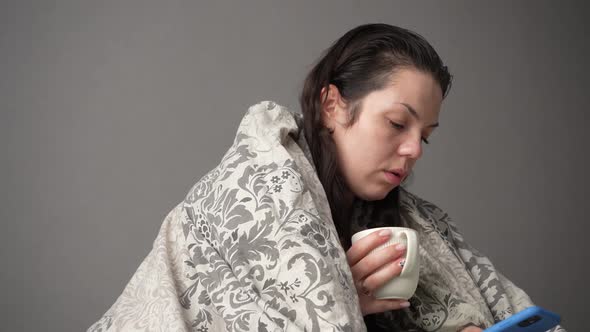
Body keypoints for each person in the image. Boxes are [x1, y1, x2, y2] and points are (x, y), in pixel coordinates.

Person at [88, 24, 565, 332]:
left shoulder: (416, 227)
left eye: (427, 136)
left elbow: (493, 304)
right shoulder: (258, 185)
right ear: (332, 105)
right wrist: (337, 298)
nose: (414, 149)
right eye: (399, 124)